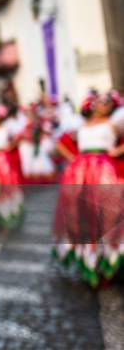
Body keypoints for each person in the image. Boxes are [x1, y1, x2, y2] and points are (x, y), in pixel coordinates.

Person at [53, 91, 124, 286]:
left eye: (107, 102)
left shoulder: (113, 124)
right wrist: (74, 159)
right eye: (100, 101)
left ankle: (108, 261)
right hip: (80, 172)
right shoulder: (81, 126)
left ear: (112, 107)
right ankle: (90, 259)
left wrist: (117, 150)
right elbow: (60, 143)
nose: (102, 104)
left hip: (104, 170)